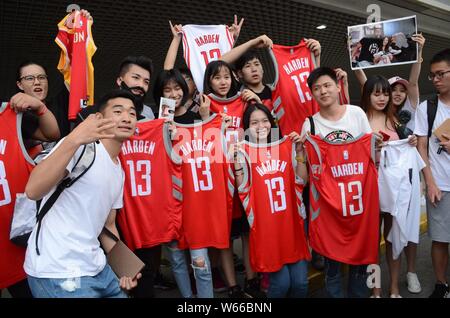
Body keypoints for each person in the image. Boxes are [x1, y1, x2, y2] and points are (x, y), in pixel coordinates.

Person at [23, 89, 141, 298]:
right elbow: (33, 190)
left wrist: (125, 269)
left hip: (97, 268)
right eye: (118, 111)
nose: (127, 117)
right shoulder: (82, 148)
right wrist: (74, 139)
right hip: (58, 272)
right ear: (98, 118)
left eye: (132, 113)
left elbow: (108, 225)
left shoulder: (118, 169)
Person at [301, 67, 379, 298]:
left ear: (337, 86)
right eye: (316, 88)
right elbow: (306, 169)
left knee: (360, 268)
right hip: (328, 211)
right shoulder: (310, 125)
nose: (323, 91)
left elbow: (370, 155)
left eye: (327, 85)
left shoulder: (356, 114)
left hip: (358, 207)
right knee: (332, 269)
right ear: (312, 94)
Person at [231, 103, 310, 298]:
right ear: (246, 127)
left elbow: (302, 181)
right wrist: (236, 159)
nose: (261, 126)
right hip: (268, 232)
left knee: (300, 284)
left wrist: (299, 152)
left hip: (291, 226)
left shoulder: (286, 146)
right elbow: (243, 190)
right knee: (281, 284)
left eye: (265, 120)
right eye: (254, 122)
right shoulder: (244, 152)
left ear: (272, 122)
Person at [360, 75, 418, 298]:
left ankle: (393, 288)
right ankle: (375, 289)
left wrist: (410, 142)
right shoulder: (359, 119)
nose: (383, 98)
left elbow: (407, 145)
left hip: (394, 191)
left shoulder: (394, 120)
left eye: (385, 93)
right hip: (369, 190)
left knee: (394, 240)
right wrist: (367, 143)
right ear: (367, 95)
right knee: (371, 245)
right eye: (377, 93)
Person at [414, 48, 450, 298]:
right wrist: (430, 183)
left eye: (441, 74)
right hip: (441, 185)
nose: (436, 80)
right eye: (432, 76)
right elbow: (421, 147)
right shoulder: (427, 108)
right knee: (439, 239)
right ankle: (440, 284)